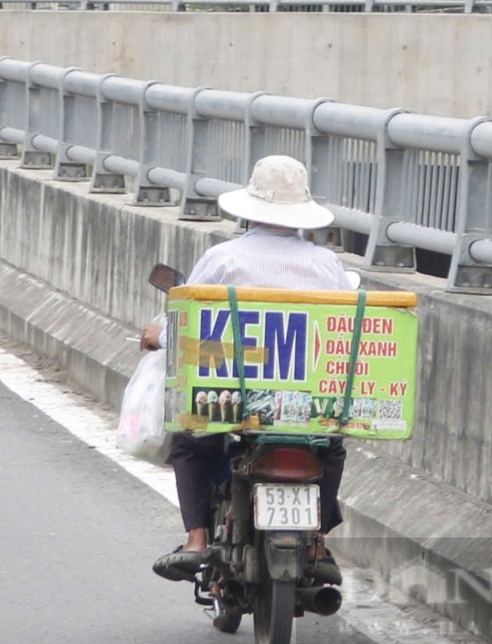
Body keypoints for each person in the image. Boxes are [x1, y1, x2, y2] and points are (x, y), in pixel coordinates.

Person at [140, 154, 352, 586]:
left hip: (229, 399)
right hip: (304, 405)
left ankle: (197, 540)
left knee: (189, 444)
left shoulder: (223, 258)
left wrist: (155, 335)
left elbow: (187, 320)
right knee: (330, 448)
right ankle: (318, 543)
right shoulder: (326, 265)